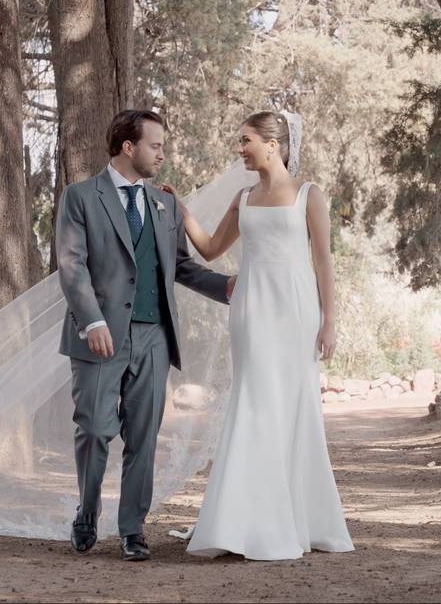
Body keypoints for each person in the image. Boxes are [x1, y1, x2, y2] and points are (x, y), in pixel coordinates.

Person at [160, 111, 354, 561]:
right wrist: (183, 211)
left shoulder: (309, 194)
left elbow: (323, 262)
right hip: (252, 307)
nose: (240, 148)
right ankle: (244, 523)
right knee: (254, 402)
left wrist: (330, 320)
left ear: (273, 143)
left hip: (296, 309)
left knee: (294, 405)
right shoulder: (243, 197)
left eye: (246, 140)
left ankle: (301, 521)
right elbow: (209, 248)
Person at [55, 110, 235, 561]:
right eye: (156, 145)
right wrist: (92, 321)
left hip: (154, 336)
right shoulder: (80, 197)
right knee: (95, 430)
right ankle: (86, 513)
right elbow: (72, 265)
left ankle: (133, 529)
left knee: (144, 436)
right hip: (100, 336)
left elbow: (183, 267)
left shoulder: (165, 203)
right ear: (128, 147)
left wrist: (230, 287)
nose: (163, 154)